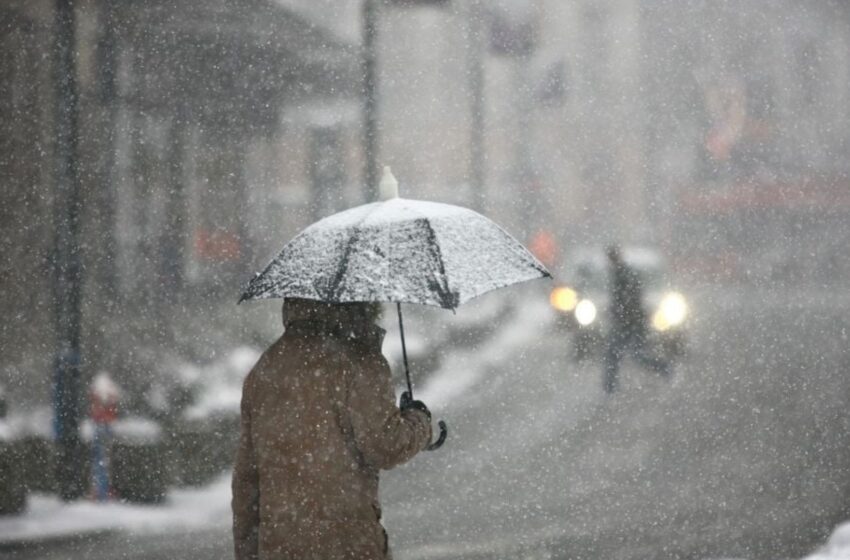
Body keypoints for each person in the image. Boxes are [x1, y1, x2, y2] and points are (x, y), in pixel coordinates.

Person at [232, 298, 433, 560]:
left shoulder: (266, 367)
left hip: (280, 546)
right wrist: (419, 421)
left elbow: (247, 480)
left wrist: (248, 552)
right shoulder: (361, 362)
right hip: (347, 542)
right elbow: (386, 446)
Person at [603, 245, 670, 393]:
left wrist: (620, 313)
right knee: (619, 354)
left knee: (631, 355)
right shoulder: (620, 273)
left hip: (630, 323)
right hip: (629, 322)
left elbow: (629, 300)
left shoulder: (623, 275)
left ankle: (665, 368)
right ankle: (610, 387)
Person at [89, 371, 120, 501]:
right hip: (106, 425)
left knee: (100, 460)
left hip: (101, 425)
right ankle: (103, 491)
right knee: (104, 460)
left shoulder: (99, 390)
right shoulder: (110, 390)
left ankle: (101, 491)